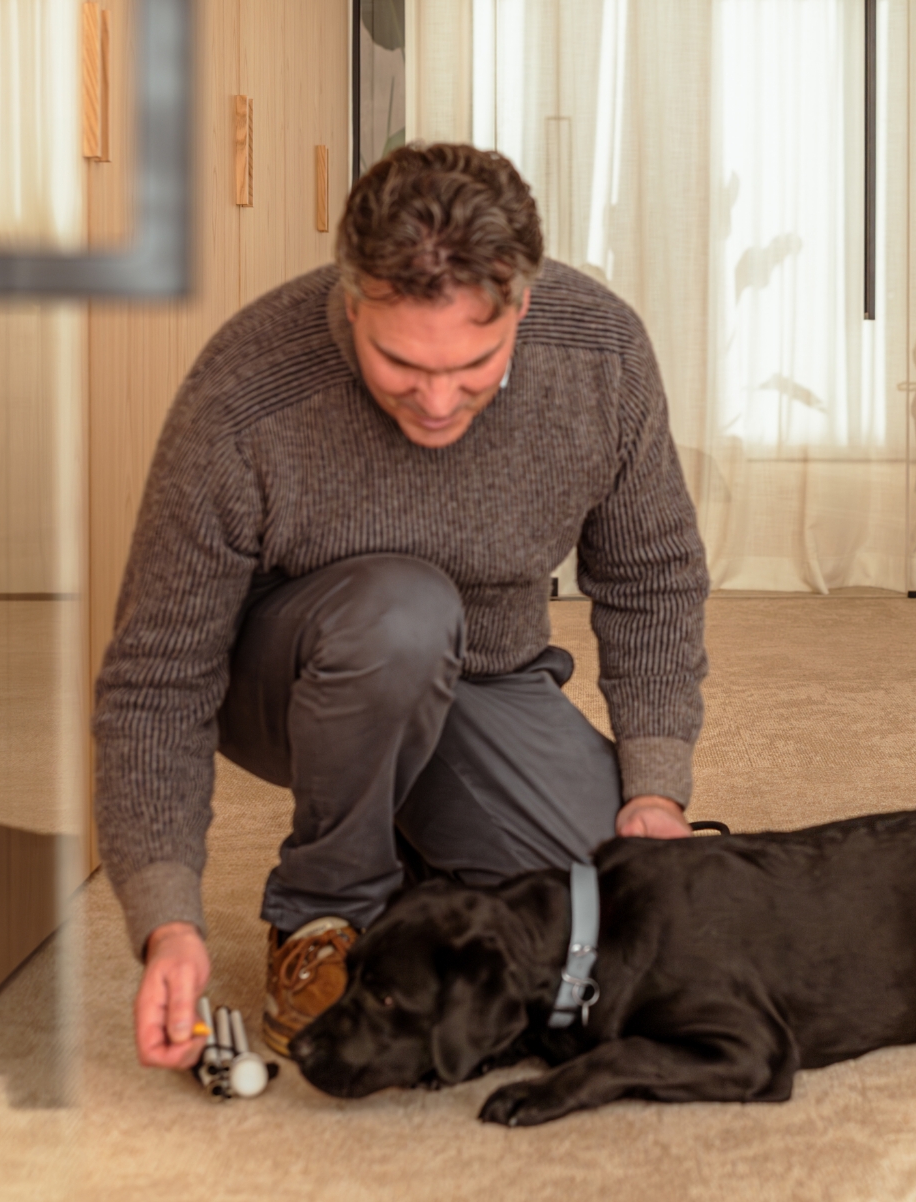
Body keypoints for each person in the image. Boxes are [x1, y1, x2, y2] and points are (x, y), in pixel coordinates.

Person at [93, 145, 710, 1070]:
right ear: (351, 300)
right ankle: (323, 909)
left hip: (486, 677)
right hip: (298, 674)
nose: (434, 402)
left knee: (609, 915)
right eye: (399, 363)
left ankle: (417, 856)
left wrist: (656, 784)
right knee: (401, 613)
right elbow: (157, 679)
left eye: (473, 365)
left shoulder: (602, 354)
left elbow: (651, 574)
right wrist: (167, 918)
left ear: (524, 306)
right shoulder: (246, 392)